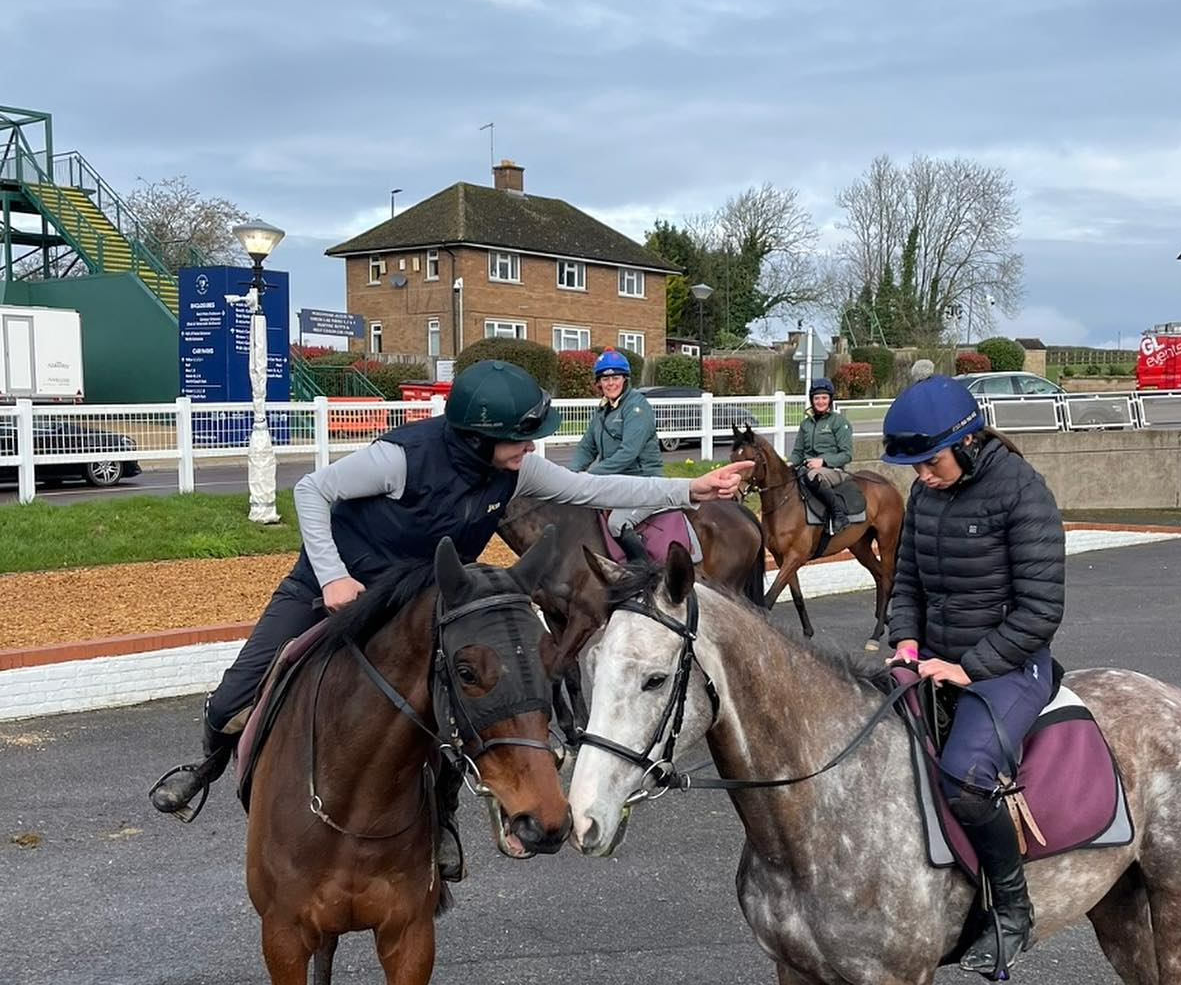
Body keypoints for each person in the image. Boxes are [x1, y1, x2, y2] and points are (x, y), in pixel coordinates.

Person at [149, 360, 753, 876]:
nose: (532, 448)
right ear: (474, 438)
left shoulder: (515, 468)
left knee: (468, 704)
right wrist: (332, 576)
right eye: (522, 437)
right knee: (234, 695)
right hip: (337, 586)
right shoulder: (400, 459)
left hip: (425, 602)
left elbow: (589, 490)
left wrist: (689, 490)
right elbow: (312, 490)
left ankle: (441, 822)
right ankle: (205, 765)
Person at [881, 375, 1065, 981]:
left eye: (930, 463)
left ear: (966, 442)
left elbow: (1041, 612)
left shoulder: (1022, 493)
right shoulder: (927, 493)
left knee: (962, 778)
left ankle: (1012, 913)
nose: (923, 476)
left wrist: (966, 667)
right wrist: (905, 640)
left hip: (1011, 666)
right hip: (931, 657)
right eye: (916, 468)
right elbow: (904, 582)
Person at [569, 348, 677, 562]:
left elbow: (628, 452)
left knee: (617, 523)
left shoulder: (637, 407)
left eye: (615, 378)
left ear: (625, 379)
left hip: (643, 482)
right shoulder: (602, 411)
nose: (610, 384)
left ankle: (643, 573)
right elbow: (586, 447)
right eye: (605, 378)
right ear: (599, 382)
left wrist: (592, 475)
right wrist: (569, 475)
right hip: (617, 483)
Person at [788, 376, 853, 539]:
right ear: (812, 400)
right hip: (807, 469)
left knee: (813, 476)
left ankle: (839, 515)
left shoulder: (839, 422)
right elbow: (798, 452)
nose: (820, 401)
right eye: (817, 398)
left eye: (824, 398)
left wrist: (823, 461)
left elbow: (846, 455)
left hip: (834, 470)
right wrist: (789, 464)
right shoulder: (805, 424)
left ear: (830, 399)